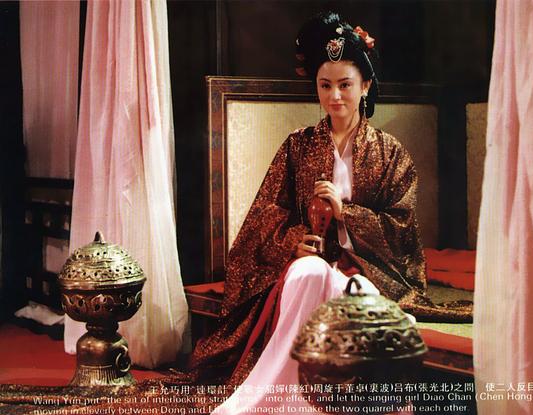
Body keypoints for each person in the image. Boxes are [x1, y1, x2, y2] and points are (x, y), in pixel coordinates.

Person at [187, 11, 472, 414]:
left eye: (345, 85)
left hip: (366, 271)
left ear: (365, 85)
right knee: (308, 272)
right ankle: (279, 398)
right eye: (325, 85)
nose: (335, 96)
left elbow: (402, 231)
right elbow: (265, 214)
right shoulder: (298, 146)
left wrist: (346, 213)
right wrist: (293, 242)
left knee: (365, 305)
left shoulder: (390, 153)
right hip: (308, 264)